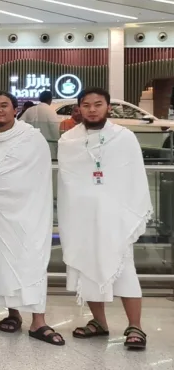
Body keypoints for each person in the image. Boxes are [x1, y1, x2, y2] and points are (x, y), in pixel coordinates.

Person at [59, 88, 150, 350]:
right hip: (83, 216)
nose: (92, 109)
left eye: (98, 104)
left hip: (116, 217)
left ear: (108, 107)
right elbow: (68, 182)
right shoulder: (68, 141)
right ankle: (99, 322)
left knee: (125, 270)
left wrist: (125, 211)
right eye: (86, 105)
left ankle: (136, 326)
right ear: (79, 109)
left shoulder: (125, 138)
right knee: (87, 267)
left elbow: (134, 177)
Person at [0, 92, 64, 345]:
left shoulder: (31, 138)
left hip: (27, 213)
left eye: (4, 106)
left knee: (30, 262)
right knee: (0, 266)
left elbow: (40, 177)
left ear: (15, 109)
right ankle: (12, 314)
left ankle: (39, 320)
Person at [21, 90, 61, 156]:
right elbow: (55, 129)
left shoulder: (30, 110)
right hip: (48, 145)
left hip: (30, 145)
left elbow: (20, 123)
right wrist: (57, 143)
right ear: (50, 99)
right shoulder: (50, 111)